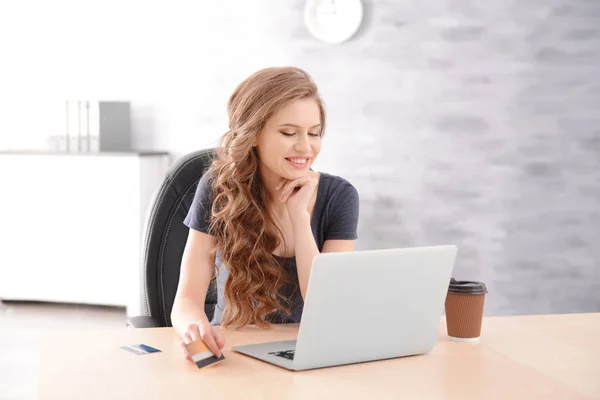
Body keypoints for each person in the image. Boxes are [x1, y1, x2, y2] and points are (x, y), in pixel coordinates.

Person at [170, 66, 360, 361]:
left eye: (314, 133)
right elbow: (186, 301)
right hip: (234, 352)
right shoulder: (218, 188)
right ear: (253, 134)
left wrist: (299, 217)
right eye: (288, 132)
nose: (305, 147)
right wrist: (196, 333)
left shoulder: (339, 196)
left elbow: (328, 308)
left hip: (309, 355)